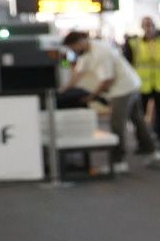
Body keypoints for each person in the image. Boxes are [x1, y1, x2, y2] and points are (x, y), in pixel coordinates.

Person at [61, 29, 148, 174]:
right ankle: (150, 149)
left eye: (73, 48)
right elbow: (78, 73)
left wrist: (92, 96)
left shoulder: (101, 52)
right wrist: (65, 89)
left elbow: (108, 79)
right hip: (130, 85)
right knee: (137, 118)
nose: (73, 51)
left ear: (79, 43)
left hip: (124, 89)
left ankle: (118, 161)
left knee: (117, 124)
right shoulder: (86, 52)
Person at [128, 16, 160, 158]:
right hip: (142, 85)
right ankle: (143, 143)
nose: (148, 28)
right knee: (139, 116)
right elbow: (130, 64)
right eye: (146, 25)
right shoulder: (134, 44)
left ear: (155, 26)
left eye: (151, 25)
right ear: (142, 27)